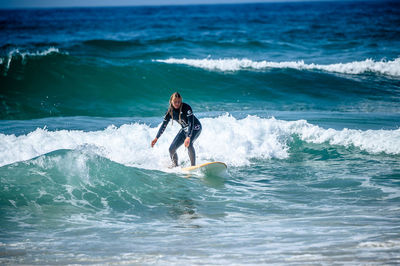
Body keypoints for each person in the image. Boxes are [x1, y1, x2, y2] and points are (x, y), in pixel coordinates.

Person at [151, 92, 202, 167]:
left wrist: (188, 137)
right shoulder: (169, 112)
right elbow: (163, 126)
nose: (177, 103)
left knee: (189, 144)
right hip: (184, 129)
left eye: (179, 101)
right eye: (175, 102)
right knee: (171, 149)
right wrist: (156, 137)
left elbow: (191, 123)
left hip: (195, 127)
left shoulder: (186, 107)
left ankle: (193, 166)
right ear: (171, 101)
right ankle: (175, 165)